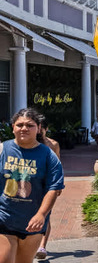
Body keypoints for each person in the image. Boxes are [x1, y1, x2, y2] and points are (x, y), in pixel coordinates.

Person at [0, 108, 65, 263]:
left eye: (30, 125)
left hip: (33, 223)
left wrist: (41, 214)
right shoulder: (3, 149)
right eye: (19, 124)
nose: (24, 128)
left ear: (38, 128)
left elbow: (54, 188)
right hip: (4, 218)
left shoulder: (48, 155)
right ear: (13, 127)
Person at [34, 116, 60, 260]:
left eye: (40, 129)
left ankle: (42, 246)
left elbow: (58, 165)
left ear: (46, 129)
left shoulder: (53, 144)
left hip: (48, 185)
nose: (38, 131)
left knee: (46, 214)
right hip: (32, 185)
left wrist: (59, 184)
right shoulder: (30, 144)